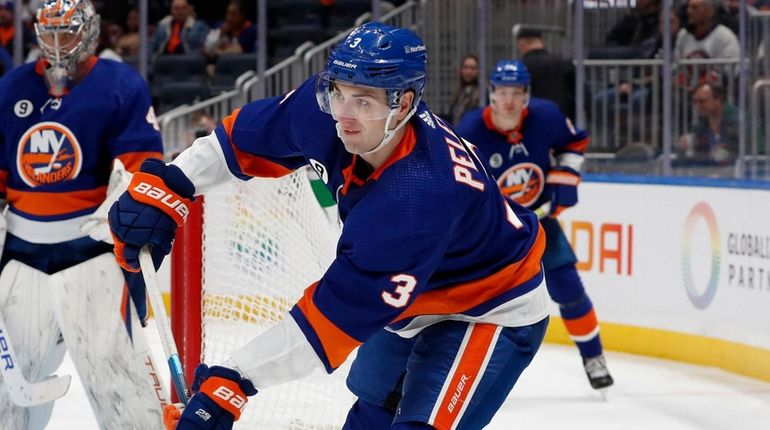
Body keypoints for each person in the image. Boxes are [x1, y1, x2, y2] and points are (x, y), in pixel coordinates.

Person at [109, 22, 551, 430]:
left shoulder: (418, 195)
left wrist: (233, 381)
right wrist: (169, 185)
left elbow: (328, 321)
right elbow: (237, 143)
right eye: (339, 92)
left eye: (365, 100)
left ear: (406, 104)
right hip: (410, 300)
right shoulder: (326, 112)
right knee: (368, 419)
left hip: (489, 307)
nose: (345, 114)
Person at [0, 0, 168, 428]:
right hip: (21, 254)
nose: (58, 44)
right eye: (50, 33)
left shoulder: (119, 84)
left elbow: (143, 167)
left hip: (90, 252)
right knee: (8, 393)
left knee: (119, 383)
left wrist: (129, 205)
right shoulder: (12, 86)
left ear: (89, 32)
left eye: (68, 33)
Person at [455, 60, 614, 393]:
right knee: (482, 303)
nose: (509, 101)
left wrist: (563, 182)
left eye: (516, 92)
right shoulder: (470, 130)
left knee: (568, 288)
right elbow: (457, 180)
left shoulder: (547, 116)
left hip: (540, 222)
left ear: (526, 95)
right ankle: (471, 373)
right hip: (494, 233)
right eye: (502, 93)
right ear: (491, 95)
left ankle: (594, 356)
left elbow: (573, 144)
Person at [515, 28, 575, 121]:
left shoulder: (520, 68)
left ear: (521, 44)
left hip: (532, 120)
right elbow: (578, 92)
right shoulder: (563, 63)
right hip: (562, 118)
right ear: (542, 42)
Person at [676, 81, 739, 165]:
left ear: (718, 99)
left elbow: (755, 151)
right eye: (695, 102)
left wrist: (729, 151)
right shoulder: (699, 128)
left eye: (702, 101)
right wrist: (684, 147)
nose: (697, 106)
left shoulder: (739, 121)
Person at [445, 54, 480, 125]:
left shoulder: (482, 93)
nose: (468, 72)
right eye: (466, 67)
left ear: (478, 71)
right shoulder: (457, 92)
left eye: (472, 68)